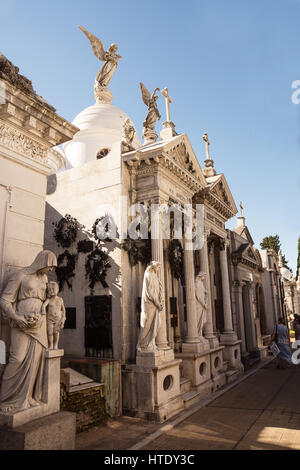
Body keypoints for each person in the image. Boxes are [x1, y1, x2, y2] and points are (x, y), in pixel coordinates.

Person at [0, 250, 57, 412]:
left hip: (39, 323)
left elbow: (48, 300)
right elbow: (5, 300)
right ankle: (6, 399)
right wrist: (16, 317)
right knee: (17, 358)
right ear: (42, 262)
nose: (50, 270)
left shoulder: (45, 279)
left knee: (35, 361)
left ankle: (27, 398)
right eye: (50, 266)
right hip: (20, 323)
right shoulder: (21, 275)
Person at [136, 261, 163, 352]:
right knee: (147, 324)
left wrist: (160, 301)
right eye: (158, 267)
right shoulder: (148, 275)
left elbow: (158, 290)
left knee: (154, 324)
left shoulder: (155, 276)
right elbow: (150, 292)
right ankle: (142, 344)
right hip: (149, 304)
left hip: (155, 304)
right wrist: (157, 303)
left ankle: (151, 344)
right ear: (154, 267)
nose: (159, 269)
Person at [42, 281, 66, 350]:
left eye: (53, 289)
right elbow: (44, 305)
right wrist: (43, 309)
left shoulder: (60, 299)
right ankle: (51, 345)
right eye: (49, 290)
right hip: (49, 318)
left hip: (58, 319)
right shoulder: (48, 300)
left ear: (57, 289)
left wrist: (63, 317)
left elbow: (63, 309)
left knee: (56, 332)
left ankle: (55, 345)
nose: (51, 291)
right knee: (49, 332)